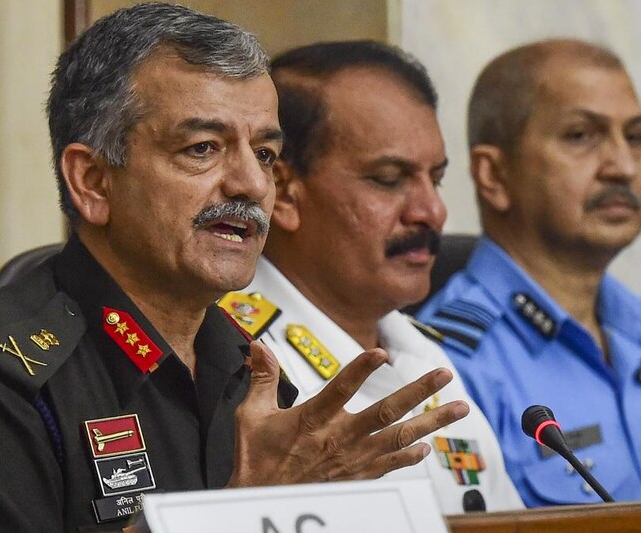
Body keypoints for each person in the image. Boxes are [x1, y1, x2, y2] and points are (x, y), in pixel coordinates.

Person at [0, 5, 469, 531]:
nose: (251, 184)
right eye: (202, 149)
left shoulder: (253, 370)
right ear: (93, 181)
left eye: (265, 153)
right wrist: (247, 511)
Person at [417, 39, 641, 507]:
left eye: (635, 137)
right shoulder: (448, 365)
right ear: (494, 175)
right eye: (580, 136)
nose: (623, 167)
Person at [218, 41, 523, 515]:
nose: (432, 212)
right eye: (389, 179)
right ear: (285, 193)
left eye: (436, 179)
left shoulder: (424, 352)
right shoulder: (234, 358)